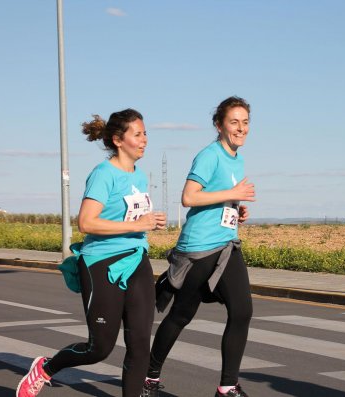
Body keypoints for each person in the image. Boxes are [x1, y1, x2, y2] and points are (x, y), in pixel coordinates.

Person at [16, 108, 166, 397]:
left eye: (145, 133)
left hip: (136, 260)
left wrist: (148, 224)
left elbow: (133, 221)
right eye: (138, 134)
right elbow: (86, 222)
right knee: (99, 348)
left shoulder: (140, 176)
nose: (145, 139)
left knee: (140, 346)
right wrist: (137, 223)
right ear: (118, 140)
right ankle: (47, 368)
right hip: (102, 264)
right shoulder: (103, 174)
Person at [143, 96, 255, 397]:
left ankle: (226, 387)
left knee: (243, 311)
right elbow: (189, 197)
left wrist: (236, 208)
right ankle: (148, 376)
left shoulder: (236, 158)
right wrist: (231, 193)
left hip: (226, 245)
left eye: (245, 122)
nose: (241, 128)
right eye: (234, 122)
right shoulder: (210, 155)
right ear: (219, 125)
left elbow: (218, 198)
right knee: (181, 314)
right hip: (200, 248)